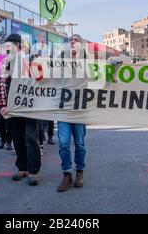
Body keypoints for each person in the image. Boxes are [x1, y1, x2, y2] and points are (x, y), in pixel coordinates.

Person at [0, 34, 41, 186]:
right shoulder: (4, 63)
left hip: (29, 107)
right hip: (12, 107)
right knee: (17, 138)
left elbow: (41, 82)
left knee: (31, 137)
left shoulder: (31, 61)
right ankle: (22, 168)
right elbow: (1, 84)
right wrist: (2, 105)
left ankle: (33, 171)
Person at [56, 34, 87, 192]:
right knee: (63, 143)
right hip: (63, 110)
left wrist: (113, 67)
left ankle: (79, 172)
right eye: (70, 40)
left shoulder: (88, 62)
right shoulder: (60, 61)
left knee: (80, 143)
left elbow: (102, 77)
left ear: (81, 45)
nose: (72, 42)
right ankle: (67, 174)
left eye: (76, 40)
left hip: (80, 109)